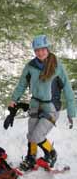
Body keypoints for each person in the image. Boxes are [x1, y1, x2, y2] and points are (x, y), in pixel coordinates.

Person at [8, 35, 76, 171]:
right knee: (31, 133)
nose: (40, 52)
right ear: (34, 51)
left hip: (51, 108)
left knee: (37, 135)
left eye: (43, 49)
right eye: (37, 50)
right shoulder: (30, 67)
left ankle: (51, 153)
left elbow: (68, 89)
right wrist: (13, 99)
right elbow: (21, 85)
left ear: (47, 49)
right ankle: (31, 158)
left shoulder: (57, 67)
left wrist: (71, 111)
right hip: (35, 105)